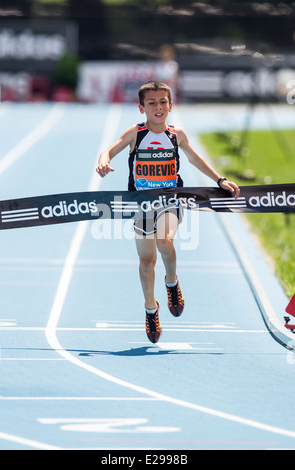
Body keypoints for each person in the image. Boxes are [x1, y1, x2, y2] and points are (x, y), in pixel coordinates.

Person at [96, 81, 240, 344]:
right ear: (142, 108)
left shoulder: (177, 135)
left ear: (170, 105)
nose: (158, 107)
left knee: (165, 240)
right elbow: (110, 150)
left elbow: (195, 159)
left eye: (163, 102)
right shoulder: (135, 134)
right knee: (146, 262)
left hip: (171, 200)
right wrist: (104, 159)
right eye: (152, 103)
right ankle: (151, 309)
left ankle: (172, 283)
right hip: (142, 204)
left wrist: (220, 180)